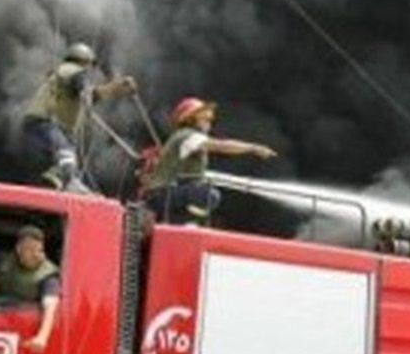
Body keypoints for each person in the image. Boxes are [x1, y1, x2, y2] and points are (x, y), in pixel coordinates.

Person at [141, 97, 278, 224]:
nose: (209, 121)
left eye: (209, 117)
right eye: (204, 117)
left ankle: (183, 222)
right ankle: (184, 222)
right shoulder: (187, 136)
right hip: (162, 196)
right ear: (190, 119)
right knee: (209, 195)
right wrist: (253, 148)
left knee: (204, 193)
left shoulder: (182, 137)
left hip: (162, 195)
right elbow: (222, 146)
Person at [22, 42, 137, 193]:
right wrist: (86, 90)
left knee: (68, 156)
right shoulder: (70, 70)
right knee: (66, 151)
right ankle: (69, 181)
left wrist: (117, 87)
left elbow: (93, 95)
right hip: (45, 120)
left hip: (47, 123)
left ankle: (57, 178)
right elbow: (81, 86)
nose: (90, 70)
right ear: (84, 61)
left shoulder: (65, 77)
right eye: (89, 65)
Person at [0, 225, 61, 353]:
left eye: (40, 250)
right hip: (0, 317)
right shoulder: (7, 262)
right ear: (19, 250)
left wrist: (42, 337)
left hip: (24, 326)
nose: (36, 255)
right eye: (31, 250)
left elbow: (50, 306)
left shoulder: (48, 275)